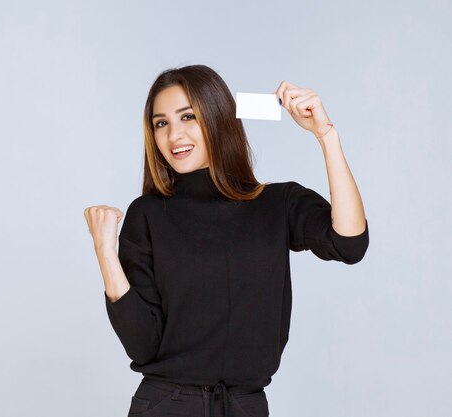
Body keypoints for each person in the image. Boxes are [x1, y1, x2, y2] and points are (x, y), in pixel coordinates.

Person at [84, 64, 369, 417]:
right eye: (161, 123)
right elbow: (143, 346)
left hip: (245, 404)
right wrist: (104, 252)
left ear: (218, 117)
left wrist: (326, 136)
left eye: (188, 117)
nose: (174, 135)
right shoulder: (147, 215)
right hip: (165, 406)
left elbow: (350, 243)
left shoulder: (277, 204)